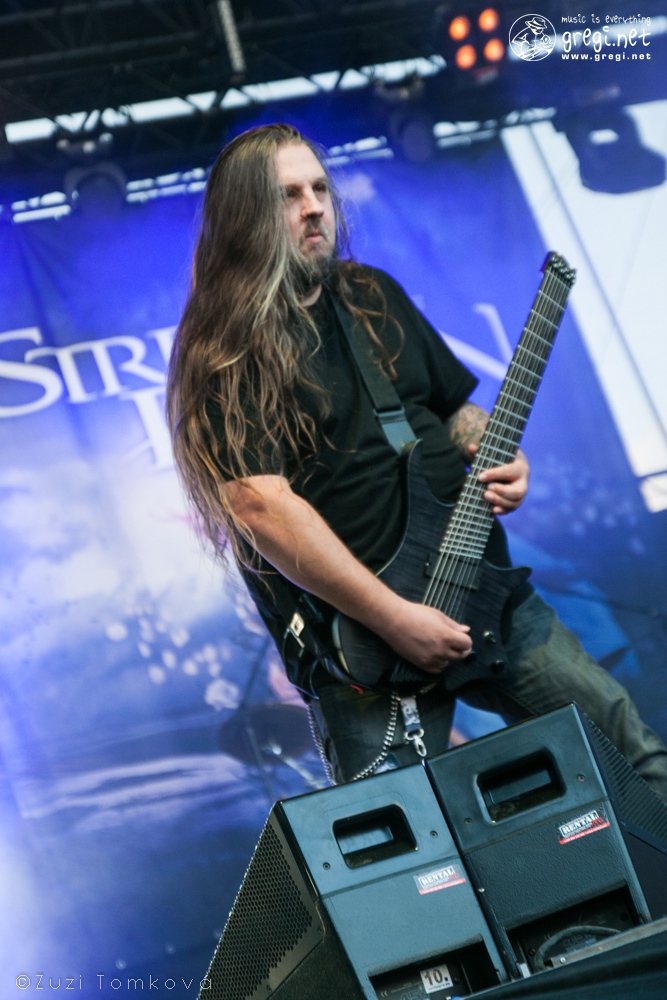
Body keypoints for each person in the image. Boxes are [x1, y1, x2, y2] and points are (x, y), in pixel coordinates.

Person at [166, 123, 667, 796]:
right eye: (289, 195)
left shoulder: (370, 294)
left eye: (320, 189)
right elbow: (259, 506)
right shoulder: (224, 349)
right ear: (243, 218)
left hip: (482, 589)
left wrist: (501, 453)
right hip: (365, 645)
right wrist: (393, 618)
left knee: (633, 759)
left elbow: (451, 407)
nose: (314, 207)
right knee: (409, 840)